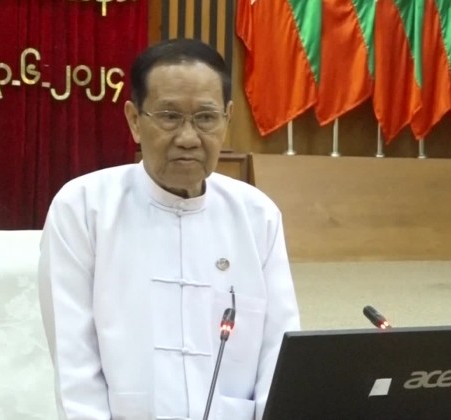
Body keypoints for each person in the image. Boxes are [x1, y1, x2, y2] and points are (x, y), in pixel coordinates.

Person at [37, 38, 301, 420]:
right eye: (169, 116)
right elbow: (74, 366)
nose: (188, 138)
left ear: (227, 119)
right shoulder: (82, 209)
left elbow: (278, 351)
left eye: (206, 118)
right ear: (134, 120)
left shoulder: (257, 216)